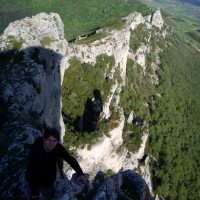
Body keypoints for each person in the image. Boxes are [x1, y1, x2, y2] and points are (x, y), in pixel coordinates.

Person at [25, 128, 87, 200]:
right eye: (49, 140)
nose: (52, 143)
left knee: (49, 196)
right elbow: (32, 171)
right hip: (33, 179)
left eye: (54, 141)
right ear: (44, 140)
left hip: (48, 181)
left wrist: (80, 173)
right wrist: (35, 194)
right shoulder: (36, 150)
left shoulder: (57, 148)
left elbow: (70, 159)